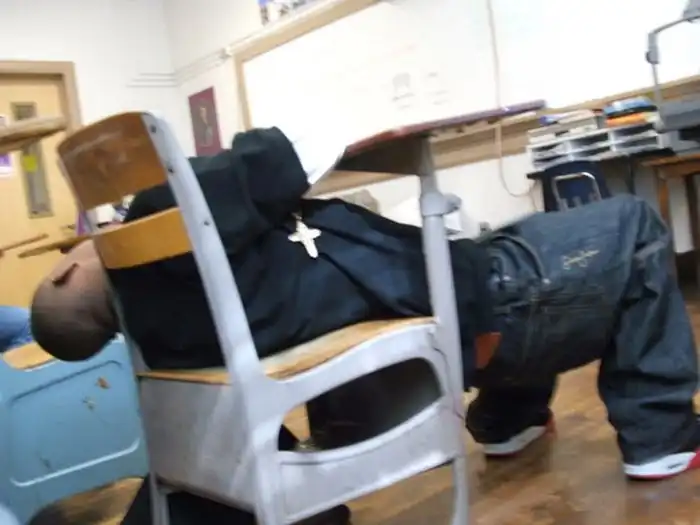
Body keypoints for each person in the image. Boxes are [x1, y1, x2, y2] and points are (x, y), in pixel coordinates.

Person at [30, 128, 699, 521]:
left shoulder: (164, 331)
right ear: (64, 278)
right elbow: (274, 158)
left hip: (428, 303)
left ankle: (508, 418)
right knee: (631, 225)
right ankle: (659, 438)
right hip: (474, 302)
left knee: (505, 238)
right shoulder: (160, 218)